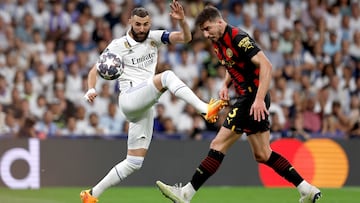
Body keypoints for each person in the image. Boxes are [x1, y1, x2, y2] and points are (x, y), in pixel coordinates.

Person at [156, 6, 321, 203]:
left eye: (208, 29)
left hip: (251, 98)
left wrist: (259, 99)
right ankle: (306, 189)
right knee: (262, 154)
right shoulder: (217, 41)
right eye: (203, 31)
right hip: (249, 98)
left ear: (219, 22)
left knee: (218, 144)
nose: (206, 34)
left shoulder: (237, 37)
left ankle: (185, 194)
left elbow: (266, 65)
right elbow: (232, 63)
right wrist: (226, 84)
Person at [80, 2, 228, 203]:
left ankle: (91, 195)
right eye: (138, 24)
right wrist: (91, 88)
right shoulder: (117, 45)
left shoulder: (154, 37)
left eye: (146, 24)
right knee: (166, 77)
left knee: (134, 162)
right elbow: (93, 71)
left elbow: (186, 38)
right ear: (130, 21)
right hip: (129, 99)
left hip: (145, 105)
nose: (142, 29)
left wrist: (183, 21)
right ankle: (205, 108)